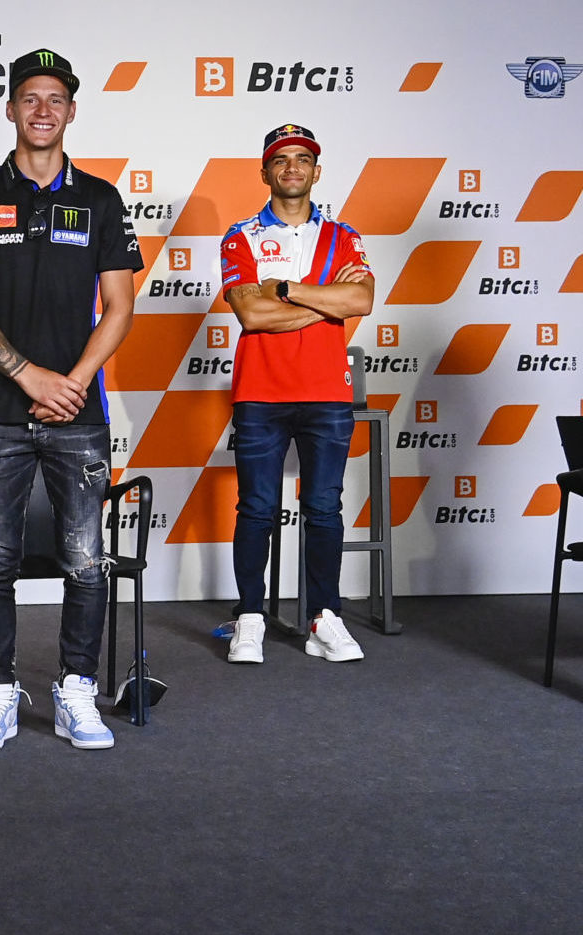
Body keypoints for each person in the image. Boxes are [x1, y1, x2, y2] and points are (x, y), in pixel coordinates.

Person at [0, 49, 142, 751]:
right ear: (11, 108)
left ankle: (75, 690)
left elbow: (119, 306)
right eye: (31, 98)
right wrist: (29, 376)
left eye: (55, 98)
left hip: (78, 413)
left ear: (72, 111)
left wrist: (74, 381)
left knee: (86, 562)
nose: (43, 110)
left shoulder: (101, 198)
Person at [218, 125, 375, 666]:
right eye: (280, 160)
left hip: (327, 392)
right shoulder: (240, 236)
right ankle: (250, 618)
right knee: (257, 509)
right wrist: (329, 303)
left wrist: (288, 289)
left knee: (324, 509)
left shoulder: (343, 236)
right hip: (260, 393)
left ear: (316, 170)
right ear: (265, 172)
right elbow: (251, 313)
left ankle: (325, 618)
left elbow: (362, 300)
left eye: (302, 159)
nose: (291, 168)